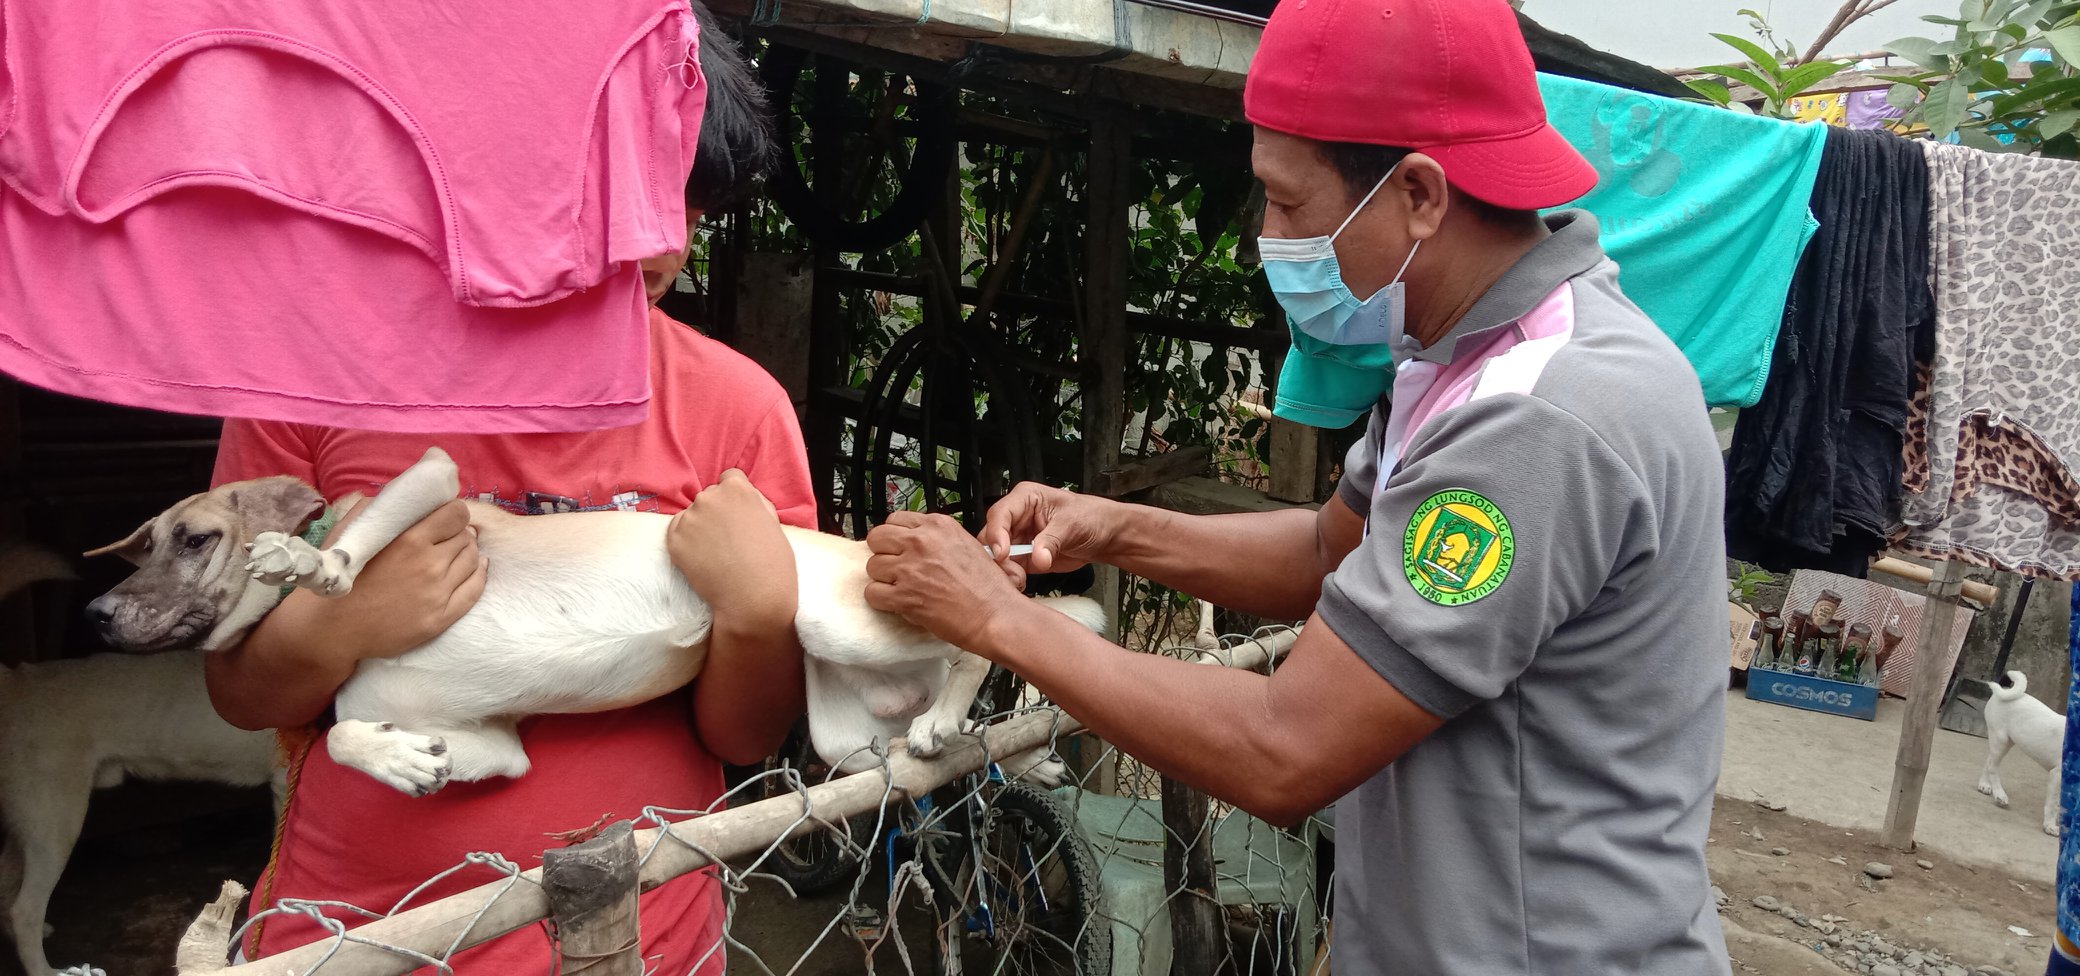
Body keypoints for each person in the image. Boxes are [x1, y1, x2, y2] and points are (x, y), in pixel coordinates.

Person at [859, 1, 1733, 974]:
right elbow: (1328, 551)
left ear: (1419, 195)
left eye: (1286, 202)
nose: (1268, 237)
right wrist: (1107, 526)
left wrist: (997, 619)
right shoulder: (1454, 354)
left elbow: (1285, 747)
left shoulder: (1538, 414)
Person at [202, 14, 810, 971]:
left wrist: (758, 613)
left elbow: (744, 734)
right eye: (622, 190)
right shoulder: (314, 383)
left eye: (687, 199)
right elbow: (237, 691)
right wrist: (348, 619)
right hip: (357, 934)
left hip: (640, 933)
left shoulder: (737, 410)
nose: (662, 245)